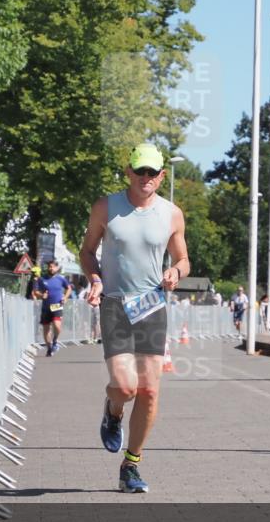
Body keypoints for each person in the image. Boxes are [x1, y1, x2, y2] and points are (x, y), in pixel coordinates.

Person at [80, 142, 189, 493]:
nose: (146, 177)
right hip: (114, 303)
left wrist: (175, 272)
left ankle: (131, 465)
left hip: (151, 306)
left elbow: (183, 259)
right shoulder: (106, 207)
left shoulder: (172, 214)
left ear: (162, 175)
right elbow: (87, 251)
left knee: (150, 391)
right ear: (128, 171)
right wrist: (95, 279)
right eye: (139, 170)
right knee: (125, 387)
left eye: (152, 172)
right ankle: (113, 410)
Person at [33, 258, 71, 356]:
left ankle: (55, 341)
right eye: (49, 267)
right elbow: (35, 292)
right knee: (46, 329)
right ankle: (49, 348)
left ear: (57, 268)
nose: (51, 268)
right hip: (46, 307)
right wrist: (42, 295)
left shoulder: (61, 279)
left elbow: (69, 288)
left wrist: (65, 297)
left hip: (56, 305)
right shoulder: (42, 279)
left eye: (53, 267)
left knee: (57, 326)